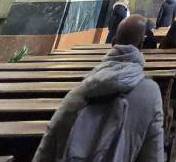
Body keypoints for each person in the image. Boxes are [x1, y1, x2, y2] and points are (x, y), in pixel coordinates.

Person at [33, 14, 164, 162]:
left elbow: (47, 149)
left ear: (113, 42)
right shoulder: (151, 93)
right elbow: (154, 154)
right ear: (142, 44)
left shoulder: (78, 92)